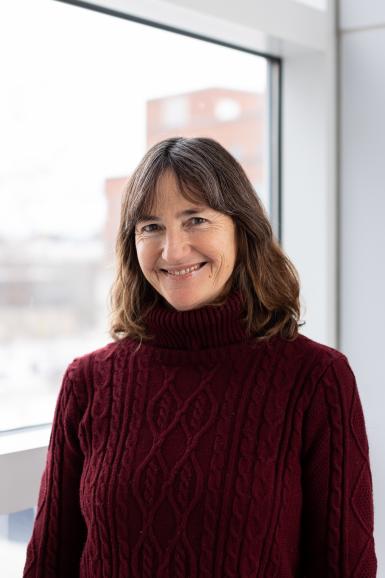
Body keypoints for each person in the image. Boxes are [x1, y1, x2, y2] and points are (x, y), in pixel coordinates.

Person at [23, 137, 377, 577]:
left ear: (241, 229)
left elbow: (344, 566)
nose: (173, 251)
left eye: (195, 219)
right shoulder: (89, 381)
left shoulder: (316, 378)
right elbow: (49, 563)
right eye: (151, 227)